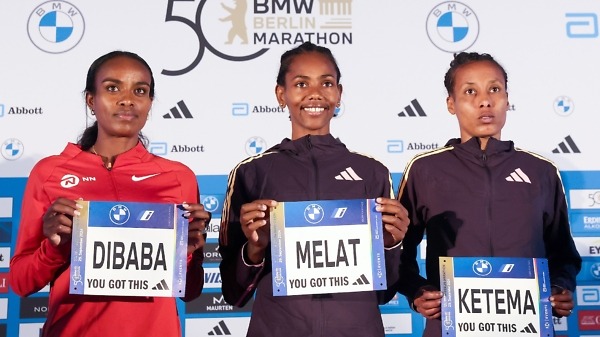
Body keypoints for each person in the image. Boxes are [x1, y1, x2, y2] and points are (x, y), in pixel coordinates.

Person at [8, 51, 211, 337]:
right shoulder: (49, 173)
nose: (127, 99)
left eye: (140, 91)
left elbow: (190, 291)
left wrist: (187, 254)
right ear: (91, 100)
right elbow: (20, 283)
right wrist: (55, 248)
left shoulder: (179, 178)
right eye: (112, 88)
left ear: (150, 103)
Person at [218, 41, 410, 337]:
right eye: (301, 83)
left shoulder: (372, 172)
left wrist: (391, 244)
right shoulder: (250, 173)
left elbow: (384, 293)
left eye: (327, 83)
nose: (315, 93)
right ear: (281, 95)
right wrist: (254, 249)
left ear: (339, 93)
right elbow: (233, 293)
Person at [394, 51, 582, 336]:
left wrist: (559, 288)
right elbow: (397, 253)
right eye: (470, 91)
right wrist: (417, 291)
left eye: (494, 89)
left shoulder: (541, 171)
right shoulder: (424, 170)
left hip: (527, 327)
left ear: (507, 99)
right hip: (450, 327)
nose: (485, 100)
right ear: (451, 104)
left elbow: (564, 256)